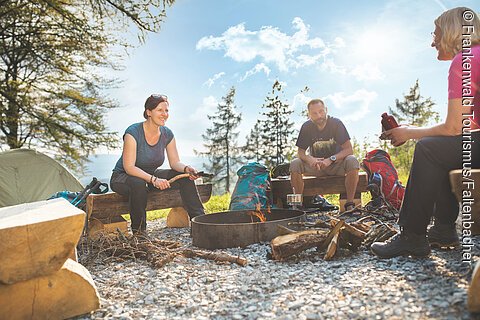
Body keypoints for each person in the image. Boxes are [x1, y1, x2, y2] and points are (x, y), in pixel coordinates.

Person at [371, 7, 480, 259]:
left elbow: (454, 127)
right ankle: (442, 229)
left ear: (452, 33)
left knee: (430, 148)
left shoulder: (464, 61)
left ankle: (412, 236)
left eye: (436, 34)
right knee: (441, 145)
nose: (433, 42)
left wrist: (409, 133)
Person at [110, 94, 205, 235]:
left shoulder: (167, 134)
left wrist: (186, 169)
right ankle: (139, 234)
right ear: (149, 112)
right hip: (123, 177)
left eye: (166, 111)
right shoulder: (133, 132)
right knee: (138, 183)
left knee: (184, 176)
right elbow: (129, 167)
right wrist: (154, 180)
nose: (164, 114)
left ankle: (200, 223)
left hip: (150, 176)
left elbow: (174, 162)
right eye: (160, 110)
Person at [290, 99, 360, 211]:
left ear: (326, 110)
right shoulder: (306, 127)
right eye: (314, 113)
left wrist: (331, 159)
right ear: (309, 115)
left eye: (321, 111)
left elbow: (349, 150)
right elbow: (300, 152)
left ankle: (349, 204)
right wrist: (310, 159)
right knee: (294, 163)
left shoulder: (336, 124)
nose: (319, 115)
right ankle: (297, 205)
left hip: (336, 166)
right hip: (316, 168)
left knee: (352, 160)